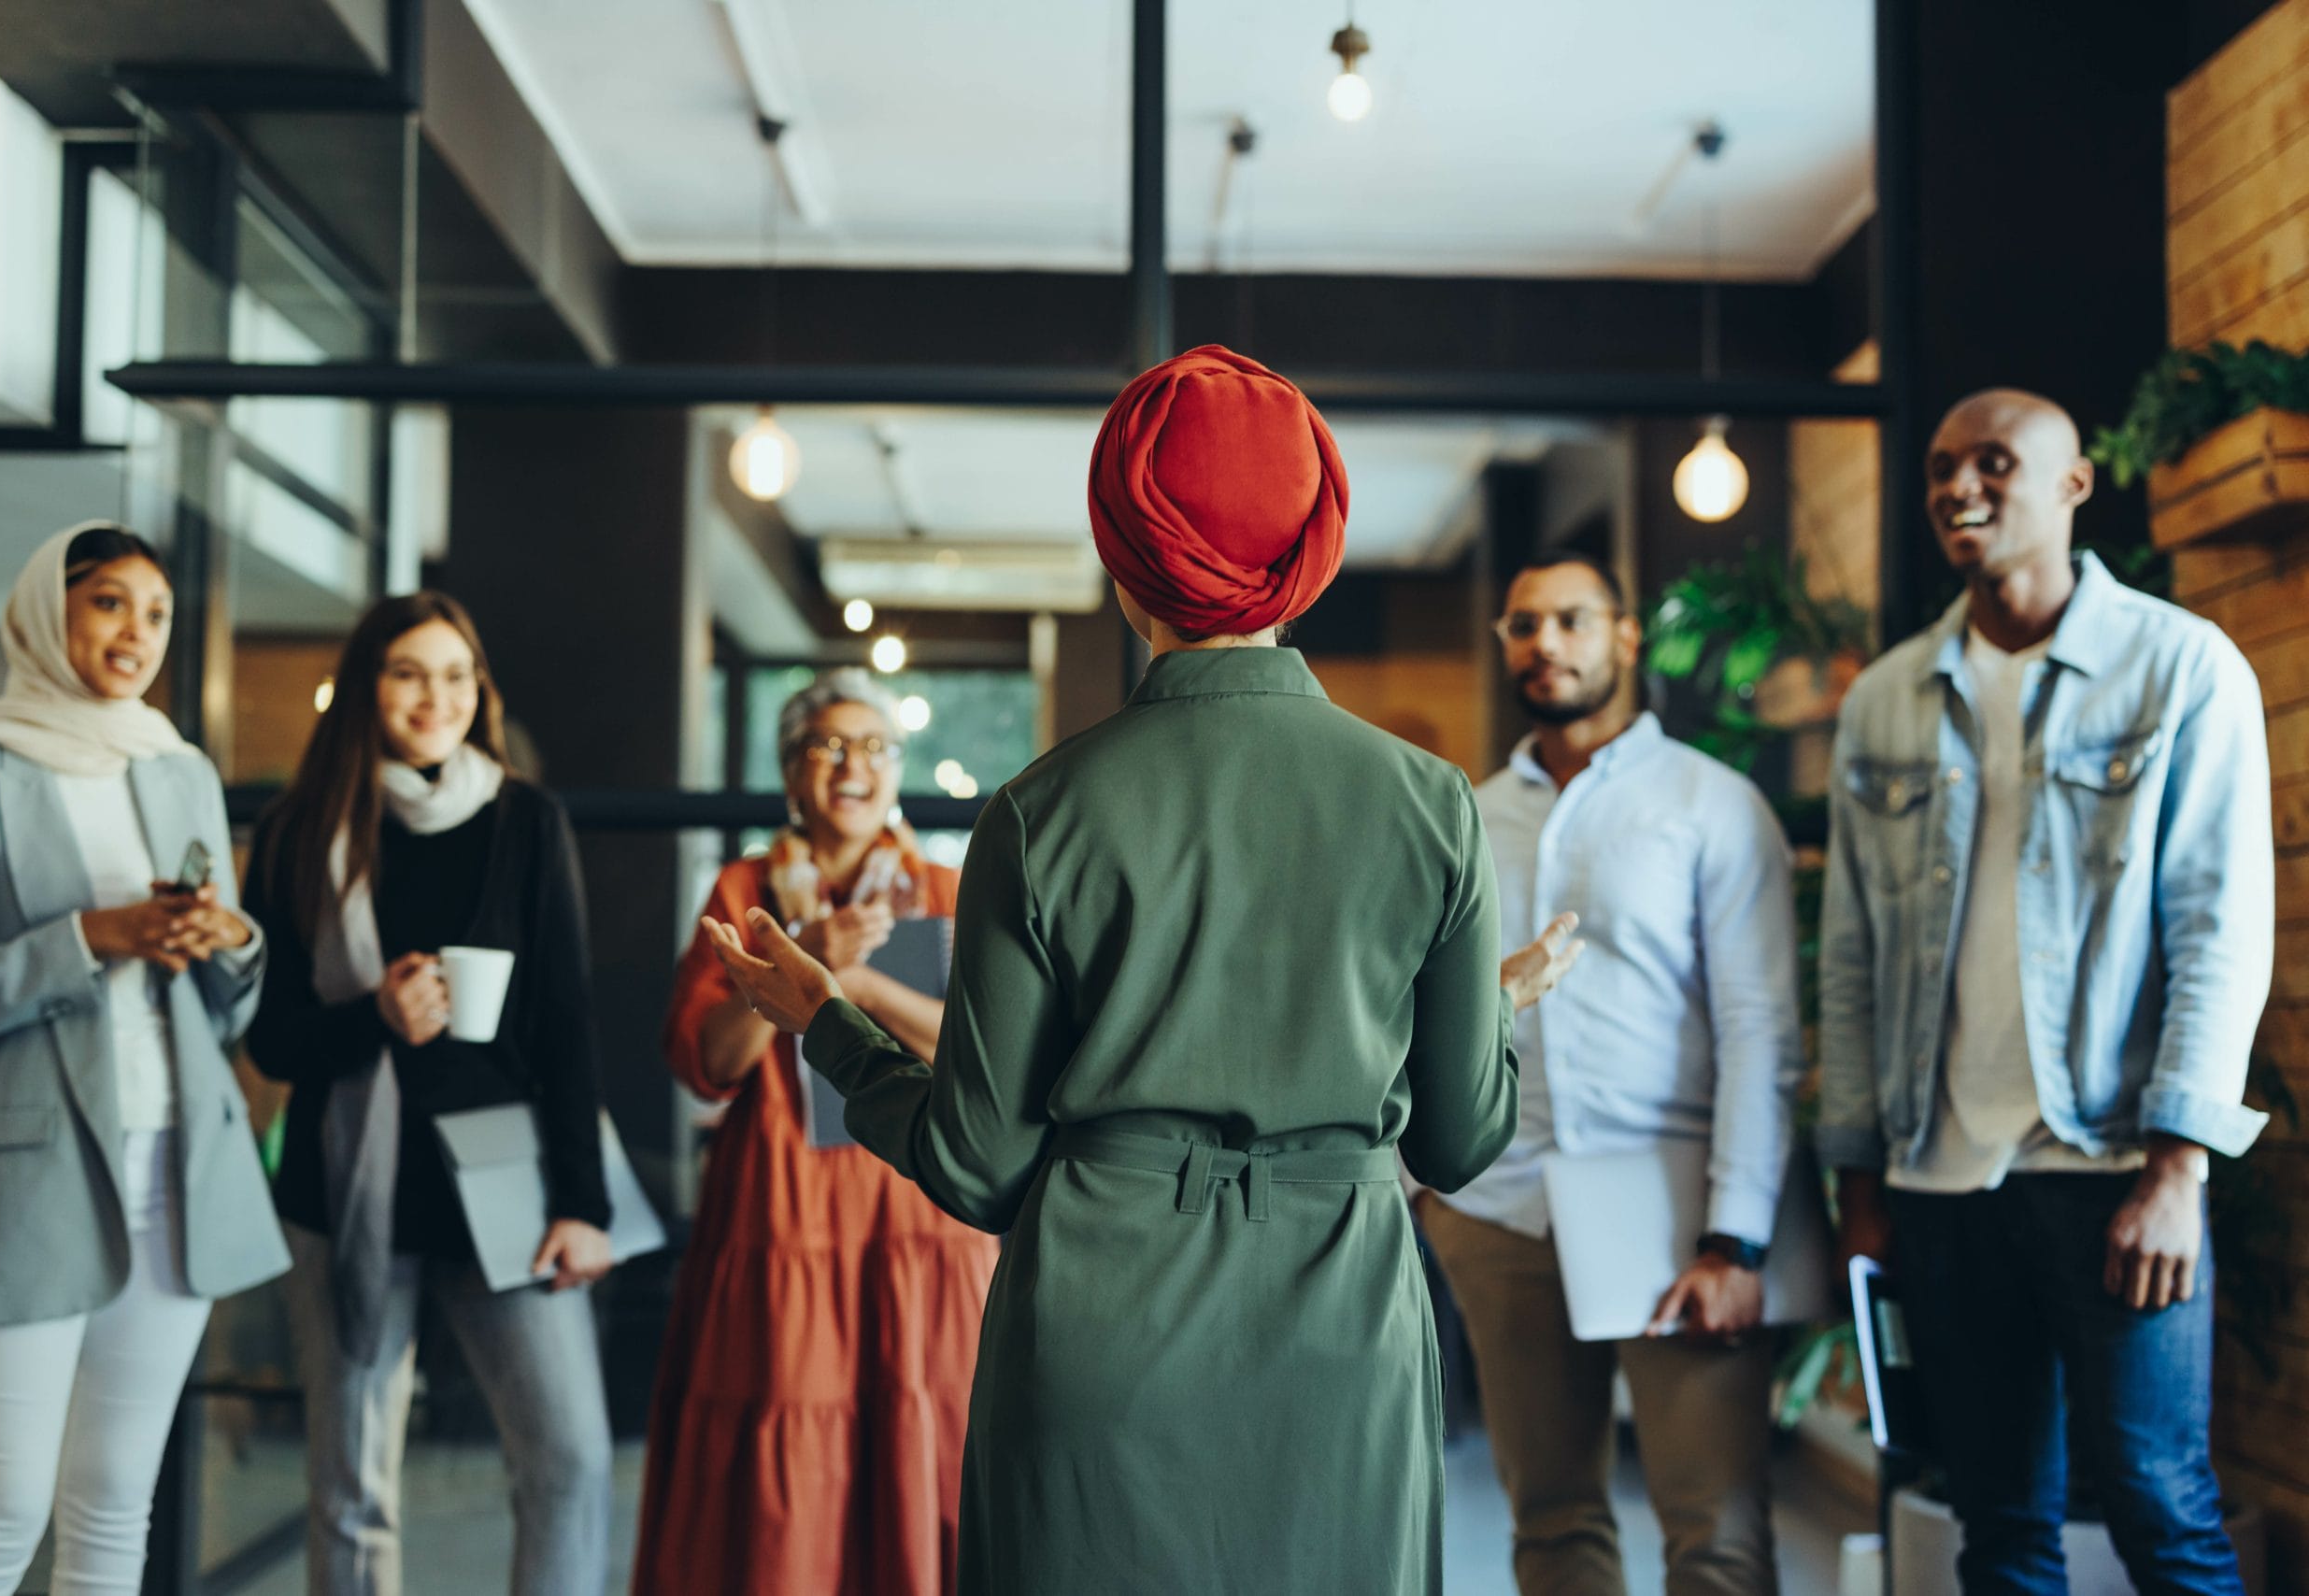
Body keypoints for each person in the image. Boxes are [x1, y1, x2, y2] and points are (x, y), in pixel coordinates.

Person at [706, 345, 1582, 1595]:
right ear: (1307, 556)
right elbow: (1457, 1140)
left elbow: (975, 1162)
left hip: (1093, 1336)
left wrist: (828, 1024)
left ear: (1124, 564)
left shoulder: (1036, 811)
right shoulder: (1432, 806)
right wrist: (1487, 1008)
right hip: (1340, 1332)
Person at [1820, 389, 2272, 1594]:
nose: (1958, 486)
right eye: (1938, 467)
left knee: (2157, 1504)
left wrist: (2179, 1171)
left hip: (2115, 1167)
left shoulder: (2181, 669)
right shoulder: (1885, 700)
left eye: (1994, 463)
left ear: (2075, 486)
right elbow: (1852, 957)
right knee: (1998, 1521)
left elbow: (2219, 926)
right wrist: (1859, 1183)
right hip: (1940, 1175)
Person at [1420, 549, 1802, 1596]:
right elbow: (1428, 1004)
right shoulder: (1466, 815)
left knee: (1717, 1532)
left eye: (1572, 620)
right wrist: (1433, 1189)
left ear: (1625, 637)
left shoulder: (1711, 803)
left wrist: (1736, 1237)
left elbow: (1760, 1026)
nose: (1545, 643)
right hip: (1501, 1211)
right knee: (1549, 1523)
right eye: (1523, 624)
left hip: (1672, 1217)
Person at [0, 523, 288, 1595]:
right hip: (24, 1178)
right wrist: (91, 938)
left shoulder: (178, 770)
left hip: (176, 1168)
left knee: (118, 1499)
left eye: (157, 611)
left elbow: (222, 1013)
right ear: (49, 610)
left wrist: (231, 943)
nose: (138, 632)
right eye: (110, 603)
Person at [241, 592, 615, 1596]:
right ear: (367, 687)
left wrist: (584, 1203)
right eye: (408, 671)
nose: (434, 696)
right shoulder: (296, 831)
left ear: (479, 691)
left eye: (456, 675)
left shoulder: (523, 820)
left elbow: (567, 1020)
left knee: (570, 1459)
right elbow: (271, 1039)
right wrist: (376, 1015)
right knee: (351, 1485)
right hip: (345, 1182)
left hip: (504, 1176)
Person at [632, 668, 991, 1596]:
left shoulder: (946, 889)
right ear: (792, 772)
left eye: (873, 746)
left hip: (916, 1199)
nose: (852, 765)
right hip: (780, 1205)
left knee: (927, 1428)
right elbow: (704, 1060)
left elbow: (981, 1054)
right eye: (827, 745)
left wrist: (854, 987)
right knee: (786, 1441)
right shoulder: (746, 886)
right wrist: (799, 963)